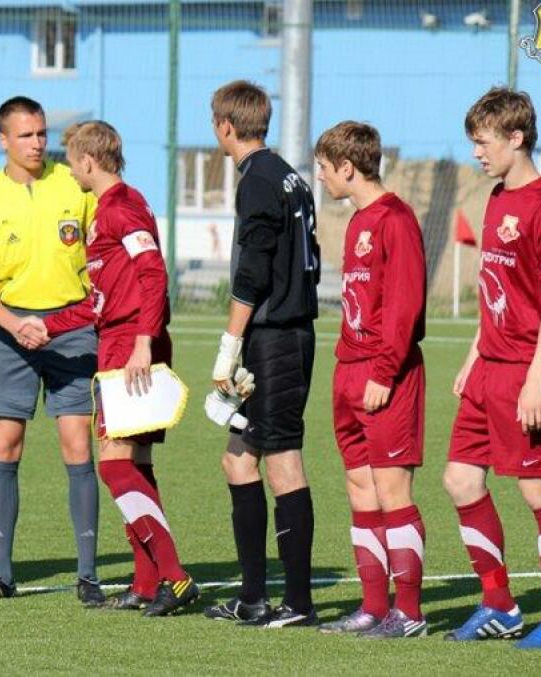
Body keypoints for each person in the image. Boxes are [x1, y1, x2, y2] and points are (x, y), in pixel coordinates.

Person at [33, 120, 198, 616]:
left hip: (131, 346)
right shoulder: (114, 207)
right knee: (136, 463)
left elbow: (153, 275)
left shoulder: (120, 208)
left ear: (87, 161)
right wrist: (48, 325)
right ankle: (147, 583)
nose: (68, 170)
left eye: (70, 161)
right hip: (122, 340)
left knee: (114, 465)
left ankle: (175, 576)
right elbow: (101, 300)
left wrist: (143, 342)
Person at [443, 87, 541, 650]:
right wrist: (473, 356)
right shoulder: (498, 197)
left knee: (538, 489)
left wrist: (536, 381)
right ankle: (499, 604)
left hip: (527, 371)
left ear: (516, 137)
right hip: (489, 369)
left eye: (483, 142)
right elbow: (494, 288)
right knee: (460, 480)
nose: (477, 152)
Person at [0, 96, 103, 605]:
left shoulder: (73, 184)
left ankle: (88, 576)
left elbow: (104, 251)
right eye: (26, 135)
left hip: (72, 330)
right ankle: (1, 574)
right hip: (10, 333)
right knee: (5, 447)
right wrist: (15, 325)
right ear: (3, 140)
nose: (38, 143)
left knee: (78, 446)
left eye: (42, 133)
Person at [203, 80, 321, 627]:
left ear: (225, 126)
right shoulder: (288, 174)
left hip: (276, 338)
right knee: (237, 460)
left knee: (284, 462)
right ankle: (253, 597)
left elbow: (253, 271)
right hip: (278, 337)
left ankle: (298, 604)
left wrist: (228, 347)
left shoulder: (257, 181)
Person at [313, 121, 428, 638]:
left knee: (391, 488)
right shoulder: (358, 220)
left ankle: (410, 612)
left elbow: (404, 304)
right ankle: (373, 607)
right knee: (360, 487)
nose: (320, 177)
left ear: (347, 167)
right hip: (349, 369)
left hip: (386, 375)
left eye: (323, 168)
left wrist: (384, 371)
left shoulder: (395, 219)